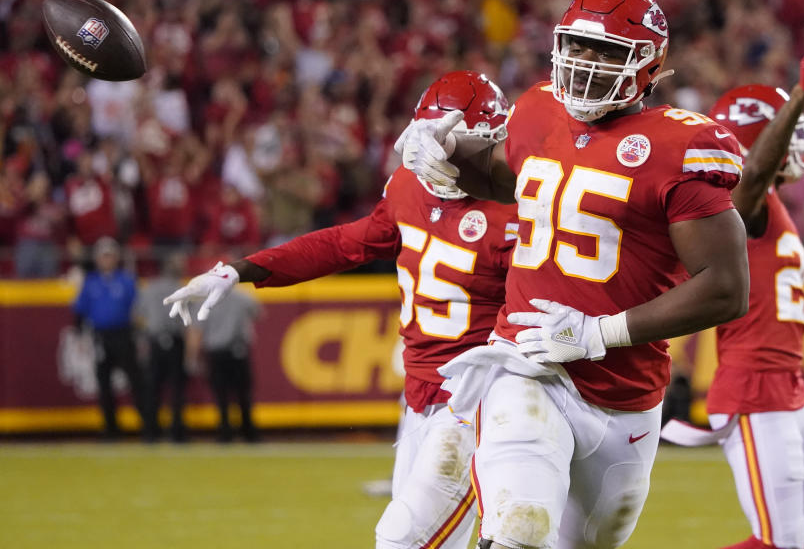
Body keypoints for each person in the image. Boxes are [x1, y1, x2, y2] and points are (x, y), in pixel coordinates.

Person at [395, 0, 750, 549]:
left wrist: (600, 332)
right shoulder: (539, 110)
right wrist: (436, 148)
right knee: (518, 527)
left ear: (647, 63)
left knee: (584, 542)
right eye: (577, 47)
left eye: (606, 52)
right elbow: (500, 175)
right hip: (527, 361)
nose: (585, 64)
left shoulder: (680, 145)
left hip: (625, 393)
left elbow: (727, 288)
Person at [163, 71, 517, 549]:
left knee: (401, 540)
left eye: (454, 142)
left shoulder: (524, 210)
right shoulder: (408, 188)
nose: (441, 152)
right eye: (434, 138)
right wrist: (240, 271)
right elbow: (341, 244)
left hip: (479, 398)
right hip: (420, 400)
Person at [671, 26, 804, 549]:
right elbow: (749, 177)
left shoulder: (771, 204)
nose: (799, 143)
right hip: (753, 387)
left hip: (790, 383)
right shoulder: (737, 202)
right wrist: (801, 94)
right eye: (787, 133)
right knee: (780, 542)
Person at [72, 236, 148, 439]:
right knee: (104, 384)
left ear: (116, 258)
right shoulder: (91, 281)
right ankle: (111, 428)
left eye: (110, 256)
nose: (107, 260)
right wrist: (80, 337)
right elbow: (80, 311)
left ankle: (148, 426)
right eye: (103, 256)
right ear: (97, 259)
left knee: (136, 381)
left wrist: (140, 334)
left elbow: (139, 309)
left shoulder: (126, 279)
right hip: (101, 336)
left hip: (124, 334)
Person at [135, 252, 196, 442]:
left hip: (155, 341)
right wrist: (190, 354)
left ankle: (151, 431)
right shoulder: (182, 288)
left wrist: (144, 338)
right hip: (174, 341)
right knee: (176, 390)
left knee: (153, 388)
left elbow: (138, 317)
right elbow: (190, 325)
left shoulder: (149, 288)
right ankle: (176, 432)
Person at [198, 285, 261, 443]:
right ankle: (249, 433)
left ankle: (225, 434)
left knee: (221, 396)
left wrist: (193, 356)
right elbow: (258, 313)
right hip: (238, 351)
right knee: (243, 395)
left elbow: (197, 329)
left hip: (216, 352)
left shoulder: (206, 300)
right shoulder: (243, 296)